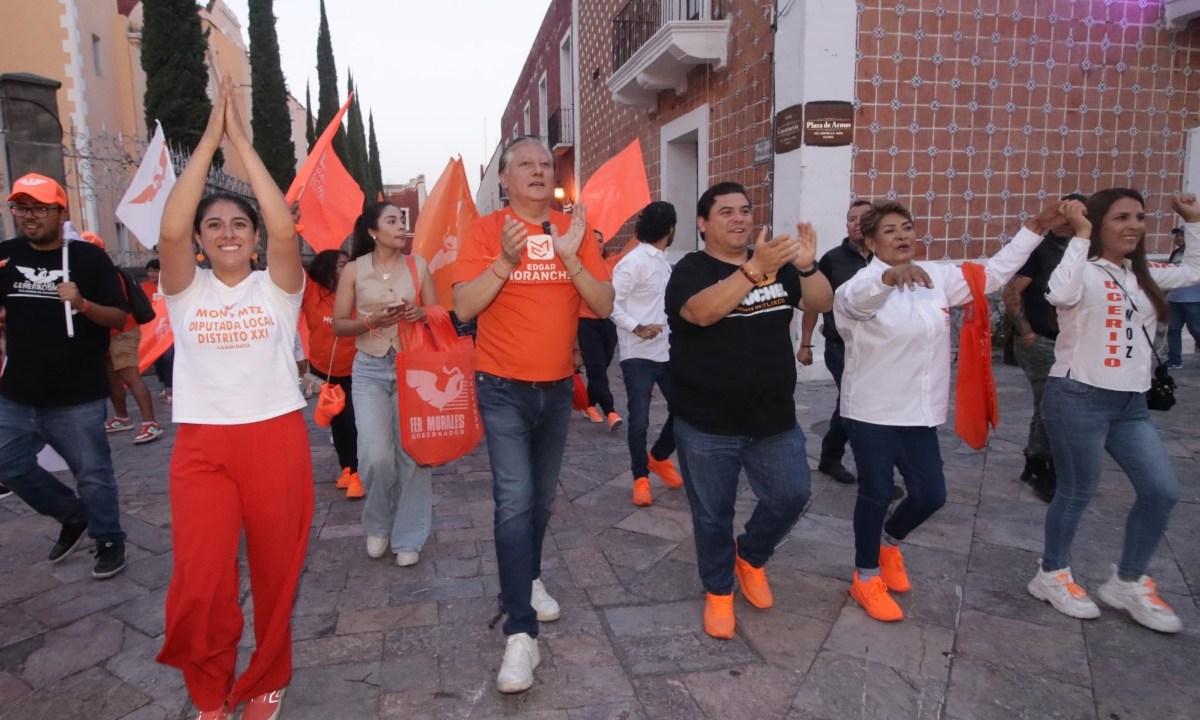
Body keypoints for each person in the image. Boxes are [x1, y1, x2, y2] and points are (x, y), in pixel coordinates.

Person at [153, 81, 313, 720]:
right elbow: (168, 230)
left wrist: (240, 141)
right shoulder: (184, 291)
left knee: (277, 574)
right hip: (203, 447)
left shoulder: (278, 290)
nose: (226, 233)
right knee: (203, 579)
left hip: (274, 437)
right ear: (200, 240)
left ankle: (267, 677)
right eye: (213, 225)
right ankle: (209, 690)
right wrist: (208, 144)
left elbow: (284, 226)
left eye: (236, 225)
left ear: (251, 239)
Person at [453, 135, 613, 693]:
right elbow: (463, 307)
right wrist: (504, 258)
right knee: (514, 500)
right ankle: (520, 634)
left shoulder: (576, 228)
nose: (540, 171)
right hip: (501, 387)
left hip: (555, 390)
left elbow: (603, 304)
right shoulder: (482, 230)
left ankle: (530, 575)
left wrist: (571, 257)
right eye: (526, 164)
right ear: (505, 178)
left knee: (540, 502)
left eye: (547, 164)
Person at [834, 200, 1044, 622]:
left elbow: (994, 273)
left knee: (932, 495)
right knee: (875, 493)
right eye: (890, 231)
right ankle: (865, 575)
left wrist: (1035, 228)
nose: (902, 236)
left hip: (919, 413)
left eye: (907, 228)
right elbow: (858, 305)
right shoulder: (857, 285)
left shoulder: (938, 277)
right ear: (871, 242)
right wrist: (890, 279)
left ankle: (889, 544)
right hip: (873, 411)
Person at [1027, 190, 1200, 634]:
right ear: (1098, 223)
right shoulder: (1082, 270)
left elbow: (1195, 271)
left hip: (1131, 405)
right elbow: (1058, 292)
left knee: (1162, 491)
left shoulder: (1144, 275)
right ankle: (1052, 574)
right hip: (1077, 396)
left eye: (1139, 218)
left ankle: (1128, 580)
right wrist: (1080, 235)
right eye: (1121, 217)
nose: (1134, 226)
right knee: (1077, 491)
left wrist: (1195, 223)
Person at [665, 181, 833, 640]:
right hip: (707, 422)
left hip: (773, 418)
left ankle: (752, 555)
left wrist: (807, 265)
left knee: (793, 495)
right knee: (711, 513)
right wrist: (753, 270)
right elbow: (701, 313)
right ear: (703, 224)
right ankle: (719, 590)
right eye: (726, 212)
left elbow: (821, 302)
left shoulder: (779, 268)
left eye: (745, 210)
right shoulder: (690, 269)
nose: (740, 218)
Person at [0, 173, 130, 579]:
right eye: (21, 207)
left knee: (92, 474)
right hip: (18, 392)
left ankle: (108, 538)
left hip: (77, 394)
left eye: (39, 207)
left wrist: (84, 304)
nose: (29, 216)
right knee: (8, 465)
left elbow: (119, 316)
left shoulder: (89, 259)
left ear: (61, 212)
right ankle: (72, 515)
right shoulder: (4, 257)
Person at [332, 202, 437, 564]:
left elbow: (437, 316)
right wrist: (370, 322)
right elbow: (338, 324)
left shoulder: (418, 265)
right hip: (369, 369)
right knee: (375, 456)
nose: (400, 226)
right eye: (392, 220)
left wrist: (422, 313)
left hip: (414, 368)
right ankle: (378, 523)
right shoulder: (354, 271)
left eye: (402, 221)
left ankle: (409, 535)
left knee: (413, 455)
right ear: (373, 231)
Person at [1002, 194, 1088, 503]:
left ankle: (1041, 461)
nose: (1067, 222)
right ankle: (1042, 467)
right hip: (1041, 339)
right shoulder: (1040, 250)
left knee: (1060, 404)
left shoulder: (1088, 250)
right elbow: (1011, 290)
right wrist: (1025, 332)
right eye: (1064, 214)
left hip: (1074, 341)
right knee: (1049, 404)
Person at [610, 201, 682, 506]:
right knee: (639, 421)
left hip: (666, 351)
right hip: (637, 354)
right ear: (670, 229)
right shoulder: (633, 262)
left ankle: (658, 457)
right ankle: (640, 477)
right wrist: (636, 326)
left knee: (686, 410)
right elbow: (609, 302)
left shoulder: (664, 261)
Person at [798, 200, 872, 485]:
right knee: (859, 405)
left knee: (850, 405)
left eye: (862, 218)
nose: (855, 223)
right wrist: (806, 344)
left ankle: (830, 457)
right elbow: (814, 304)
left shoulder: (885, 260)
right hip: (841, 348)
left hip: (878, 349)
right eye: (851, 218)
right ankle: (874, 475)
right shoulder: (832, 260)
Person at [303, 249, 362, 498]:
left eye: (349, 264)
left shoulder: (358, 293)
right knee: (338, 422)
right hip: (322, 369)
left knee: (350, 420)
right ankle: (347, 468)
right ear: (327, 268)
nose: (347, 269)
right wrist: (292, 226)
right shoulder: (311, 290)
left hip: (353, 369)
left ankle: (357, 472)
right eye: (341, 265)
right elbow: (287, 261)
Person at [99, 239, 164, 445]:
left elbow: (116, 305)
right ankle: (122, 417)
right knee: (112, 376)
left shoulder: (107, 273)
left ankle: (150, 422)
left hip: (122, 330)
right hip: (109, 333)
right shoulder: (99, 271)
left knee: (129, 375)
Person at [1165, 226, 1200, 368]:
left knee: (1196, 329)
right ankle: (1174, 359)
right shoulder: (1175, 254)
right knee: (1173, 329)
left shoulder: (1195, 255)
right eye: (1177, 235)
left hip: (1193, 299)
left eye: (1182, 235)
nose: (1178, 238)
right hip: (1174, 299)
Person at [143, 259, 174, 404]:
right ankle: (163, 384)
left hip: (169, 329)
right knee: (158, 359)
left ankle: (170, 389)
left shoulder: (170, 287)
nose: (152, 274)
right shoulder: (142, 288)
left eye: (156, 270)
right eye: (150, 270)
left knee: (168, 357)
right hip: (151, 330)